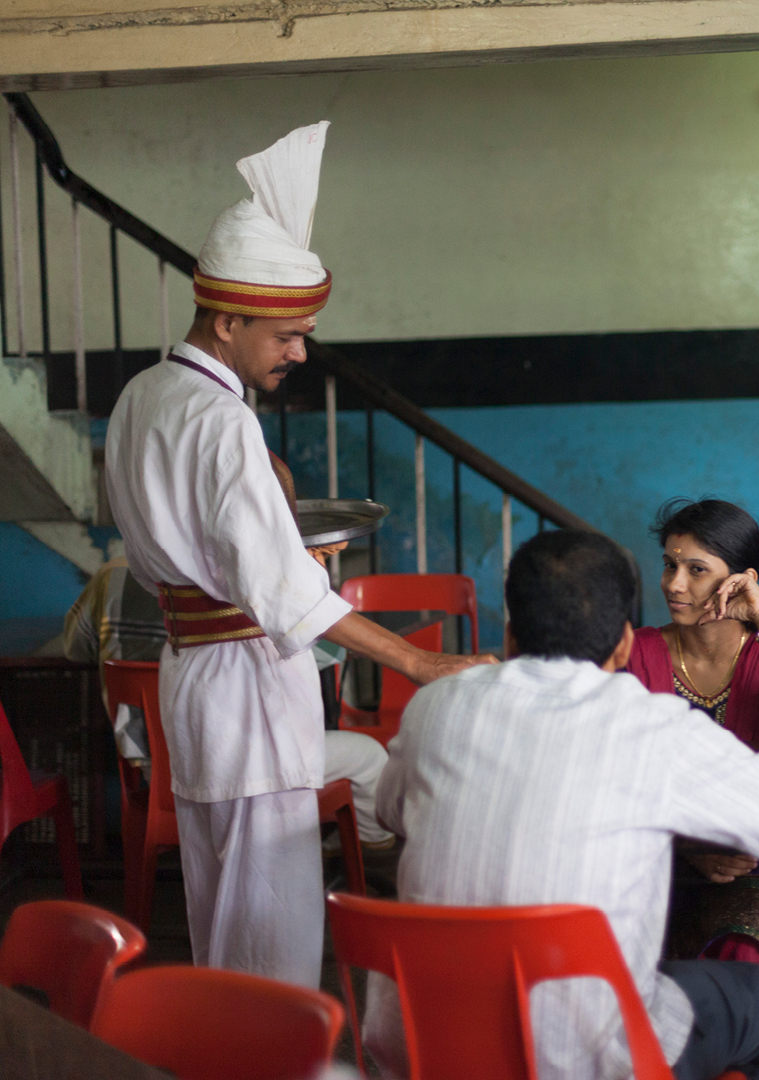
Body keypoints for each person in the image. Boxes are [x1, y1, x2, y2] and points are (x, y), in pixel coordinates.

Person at [103, 122, 493, 988]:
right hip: (244, 687)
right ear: (229, 318)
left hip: (194, 679)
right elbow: (288, 597)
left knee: (222, 908)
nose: (300, 352)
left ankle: (226, 1041)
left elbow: (157, 530)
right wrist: (418, 660)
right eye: (286, 335)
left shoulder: (144, 395)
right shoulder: (223, 421)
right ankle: (269, 1047)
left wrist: (268, 491)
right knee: (271, 927)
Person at [367, 529, 759, 1080]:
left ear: (510, 634)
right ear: (623, 645)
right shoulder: (648, 725)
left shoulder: (436, 706)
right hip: (584, 1056)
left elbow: (388, 811)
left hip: (425, 1046)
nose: (678, 584)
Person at [625, 498, 759, 995]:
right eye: (670, 565)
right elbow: (619, 775)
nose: (674, 584)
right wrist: (690, 845)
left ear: (742, 579)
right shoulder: (638, 652)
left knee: (749, 953)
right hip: (664, 852)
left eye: (697, 570)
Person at [63, 557, 397, 855]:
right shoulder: (242, 578)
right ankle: (357, 853)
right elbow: (323, 655)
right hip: (242, 774)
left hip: (153, 771)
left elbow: (76, 648)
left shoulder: (111, 575)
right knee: (368, 756)